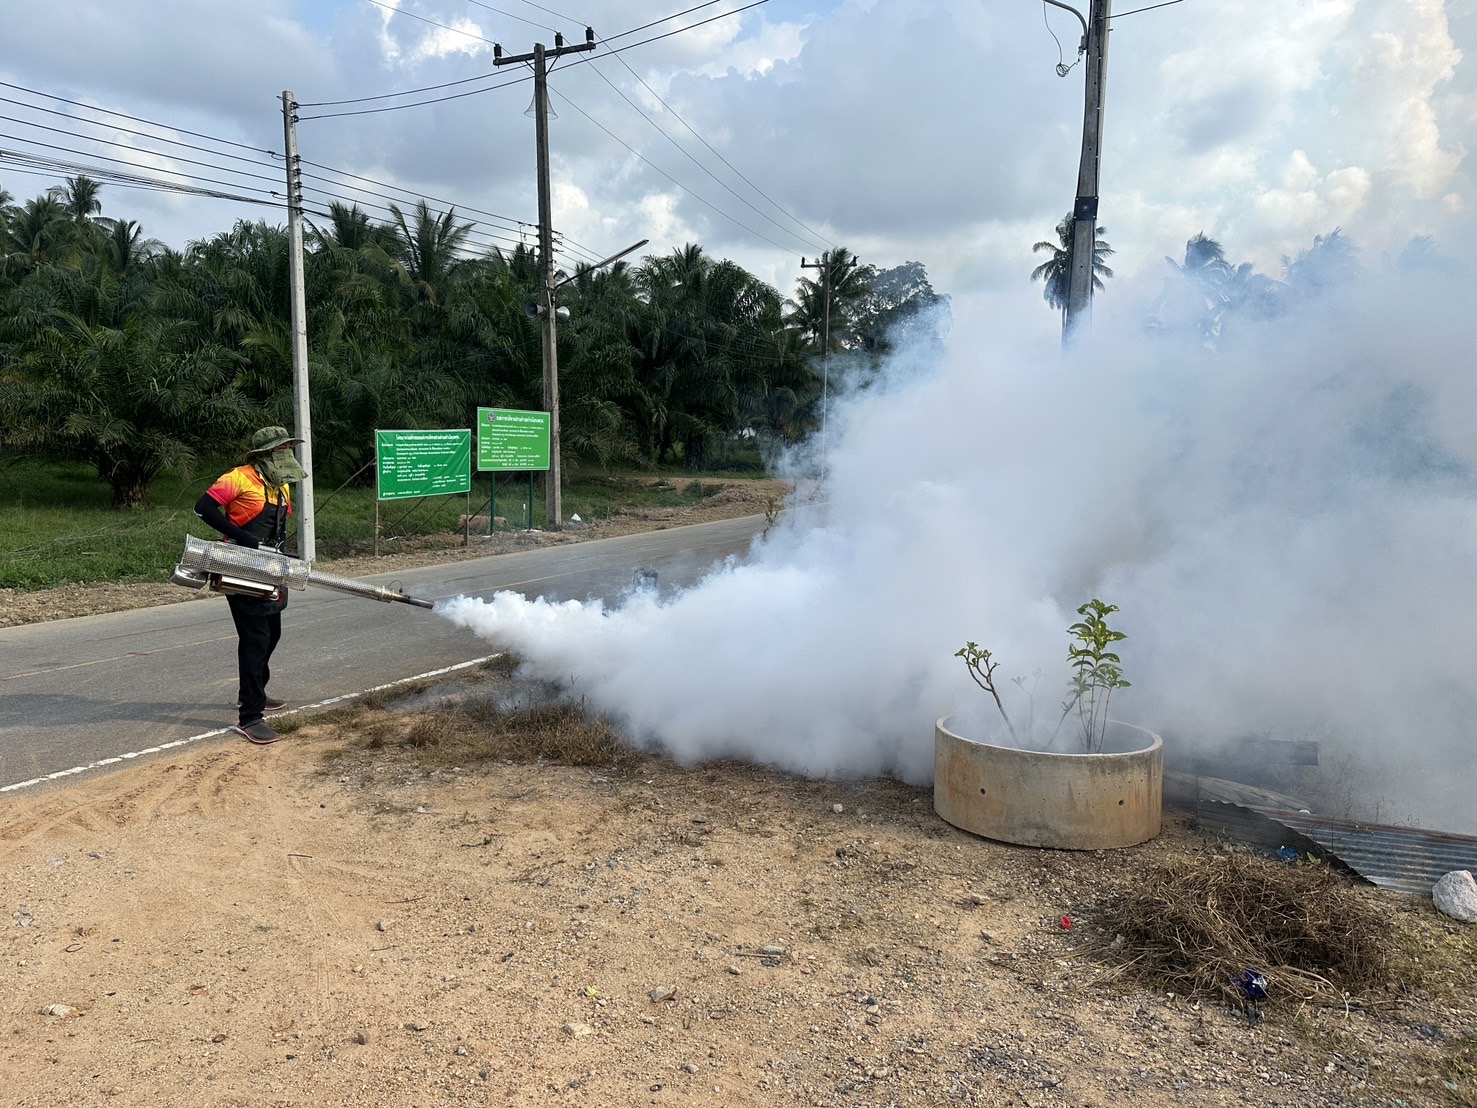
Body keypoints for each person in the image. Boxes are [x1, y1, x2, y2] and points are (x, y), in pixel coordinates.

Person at [194, 426, 308, 745]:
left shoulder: (279, 485)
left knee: (273, 634)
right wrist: (242, 536)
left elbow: (279, 525)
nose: (286, 454)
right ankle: (251, 716)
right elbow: (202, 509)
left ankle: (256, 689)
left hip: (271, 565)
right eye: (281, 449)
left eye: (288, 448)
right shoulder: (238, 478)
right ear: (264, 454)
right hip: (241, 565)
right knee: (255, 638)